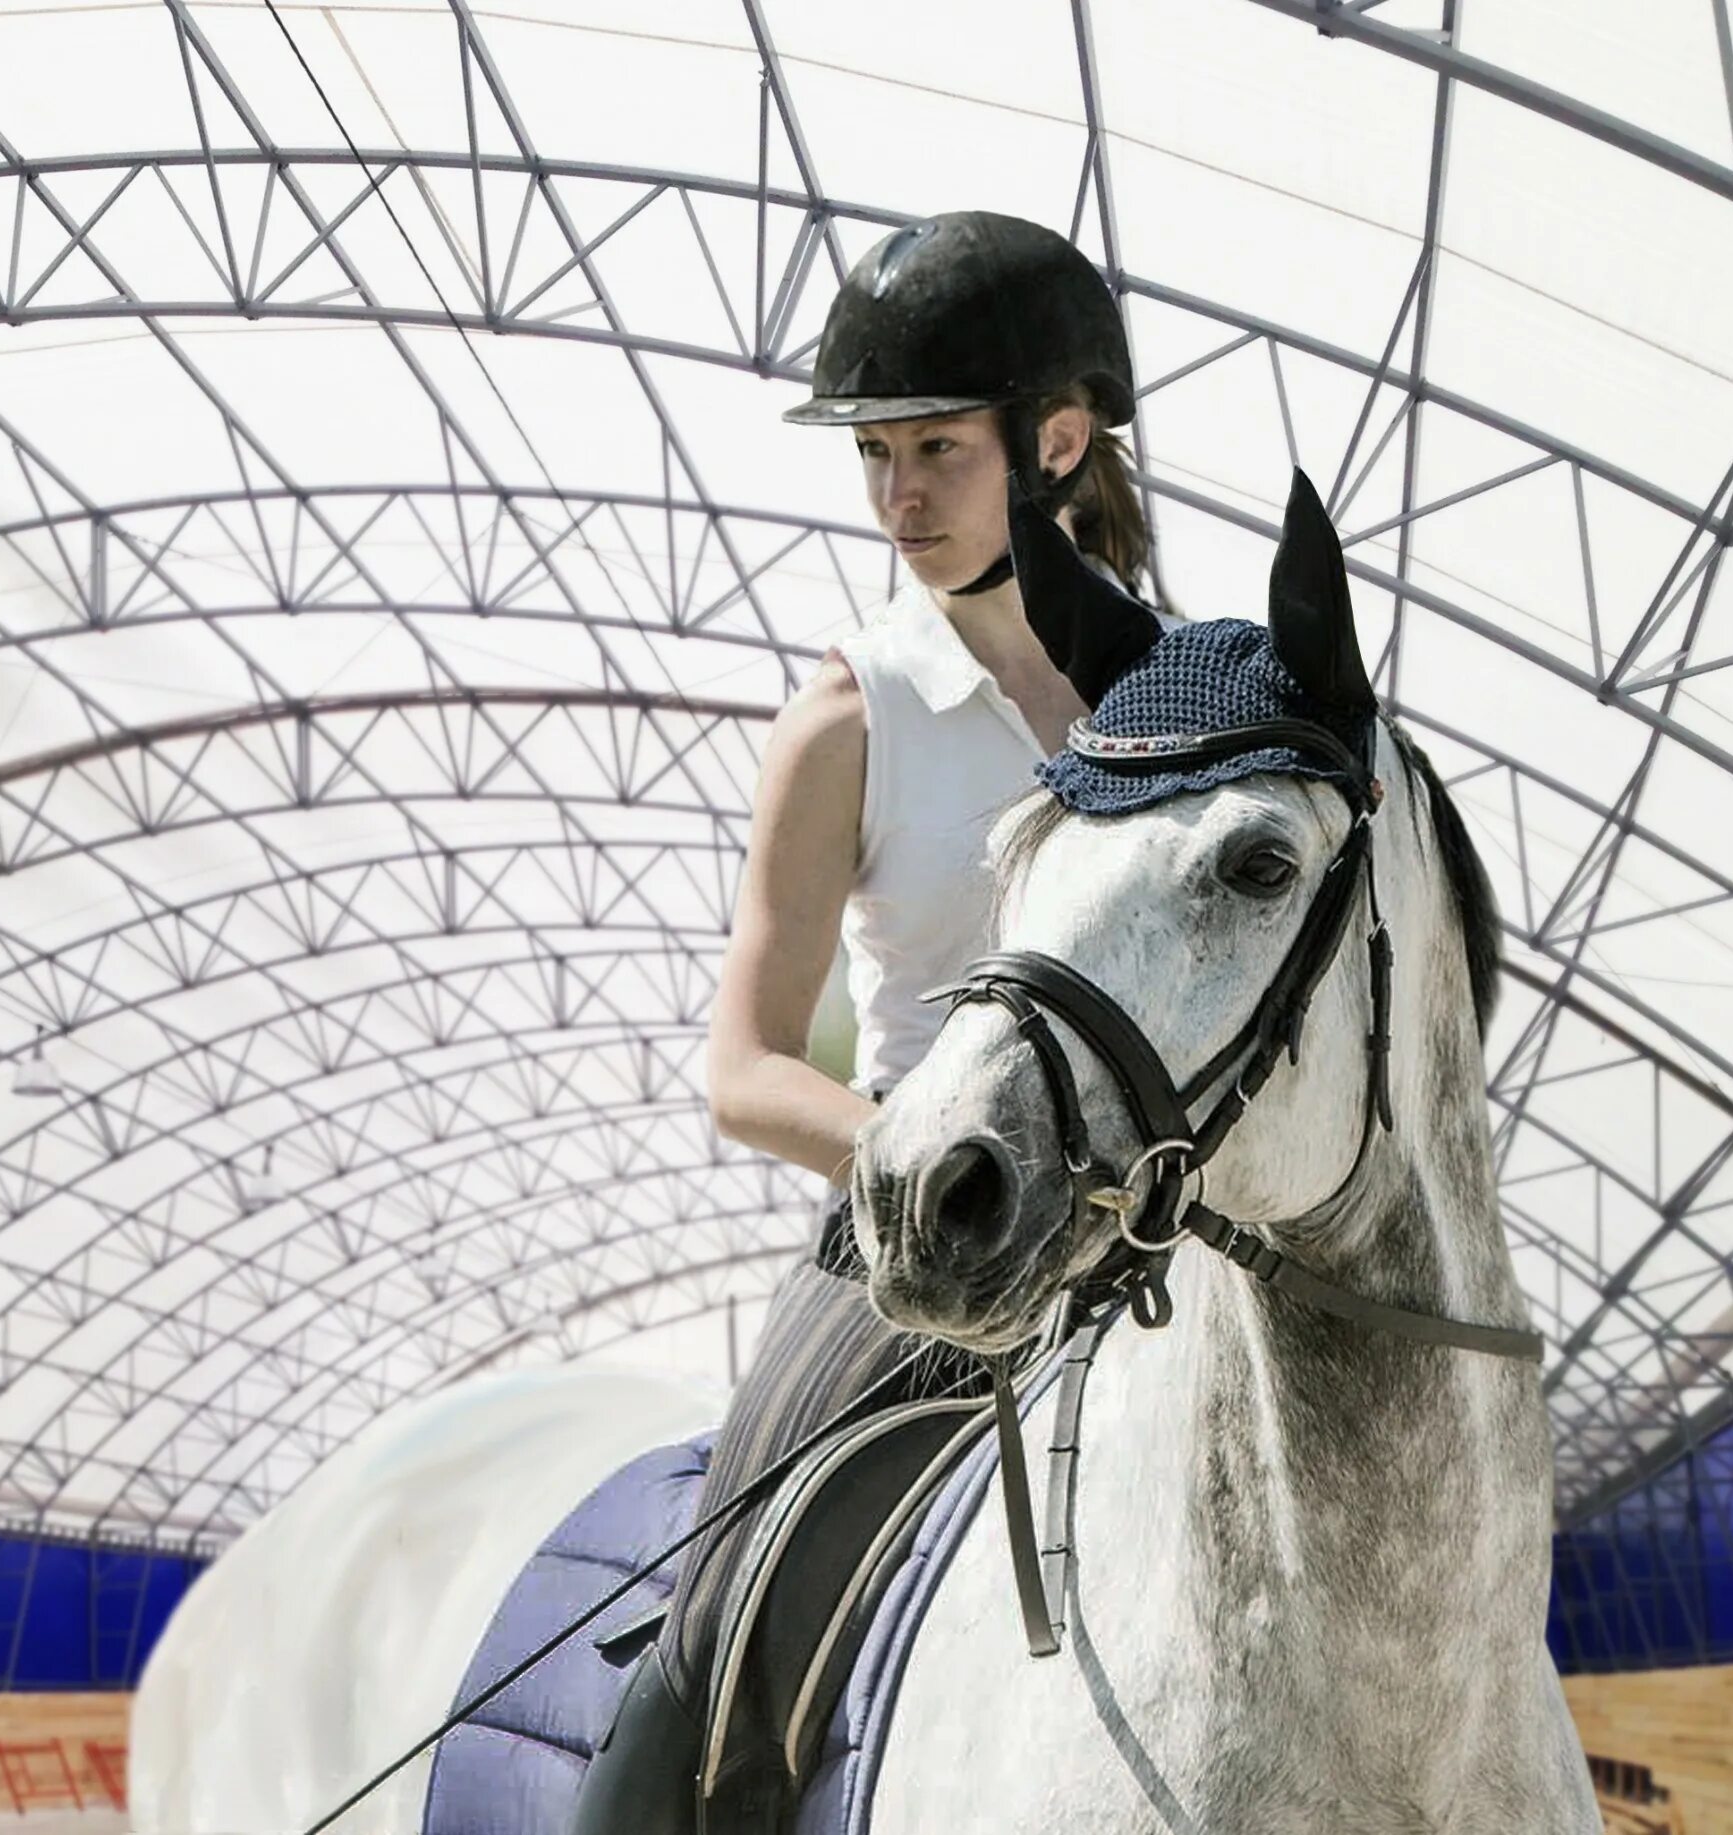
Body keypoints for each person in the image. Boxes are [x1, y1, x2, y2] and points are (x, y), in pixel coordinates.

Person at [569, 209, 1160, 1835]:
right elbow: (747, 1070)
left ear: (1054, 441)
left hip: (1173, 1251)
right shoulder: (848, 714)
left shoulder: (1188, 695)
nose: (898, 498)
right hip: (918, 1258)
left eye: (936, 453)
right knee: (718, 1641)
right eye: (879, 456)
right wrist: (932, 1160)